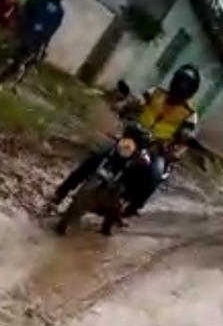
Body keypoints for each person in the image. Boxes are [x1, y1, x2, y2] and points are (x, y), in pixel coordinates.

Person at [48, 63, 201, 216]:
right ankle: (60, 193)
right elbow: (137, 102)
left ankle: (133, 207)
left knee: (155, 173)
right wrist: (123, 106)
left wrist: (177, 153)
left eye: (184, 85)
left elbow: (185, 139)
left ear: (190, 91)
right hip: (134, 138)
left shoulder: (190, 113)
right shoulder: (156, 93)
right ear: (173, 81)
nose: (179, 88)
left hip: (156, 149)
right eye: (179, 82)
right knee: (98, 155)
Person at [0, 0, 71, 88]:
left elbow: (52, 29)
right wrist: (21, 23)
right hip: (24, 32)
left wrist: (44, 43)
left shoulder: (59, 12)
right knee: (8, 52)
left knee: (19, 62)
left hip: (35, 40)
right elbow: (26, 8)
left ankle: (0, 80)